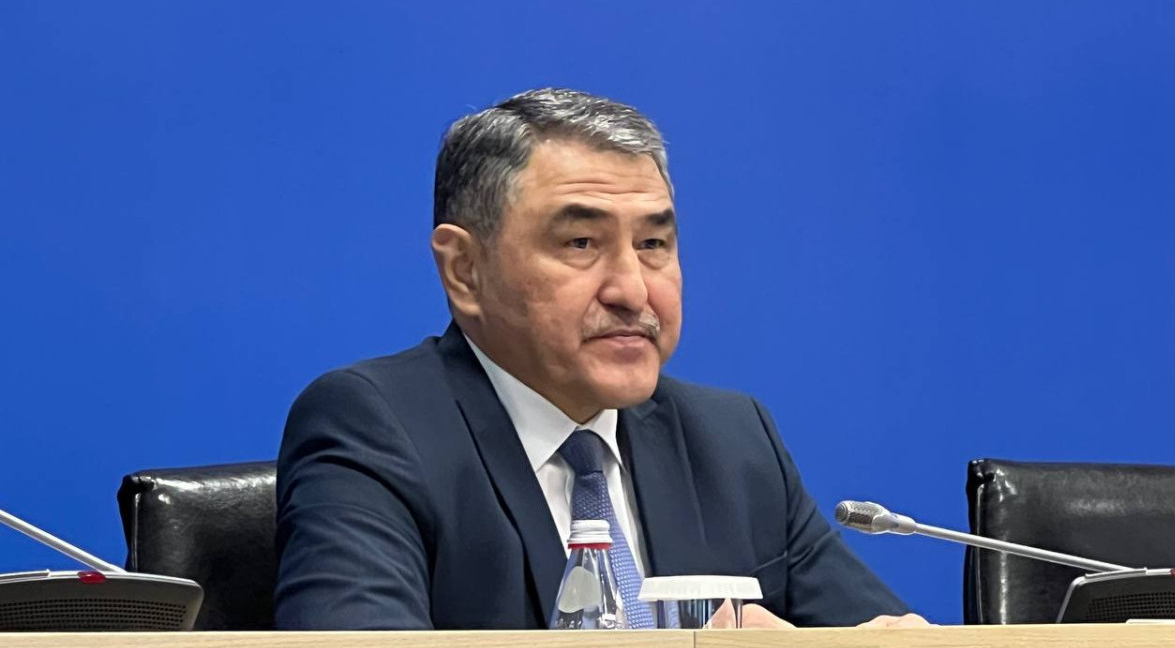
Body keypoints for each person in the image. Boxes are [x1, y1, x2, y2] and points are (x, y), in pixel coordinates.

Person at [274, 88, 927, 630]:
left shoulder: (732, 442)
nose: (632, 291)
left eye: (653, 244)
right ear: (465, 270)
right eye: (581, 242)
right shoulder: (376, 427)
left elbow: (880, 635)